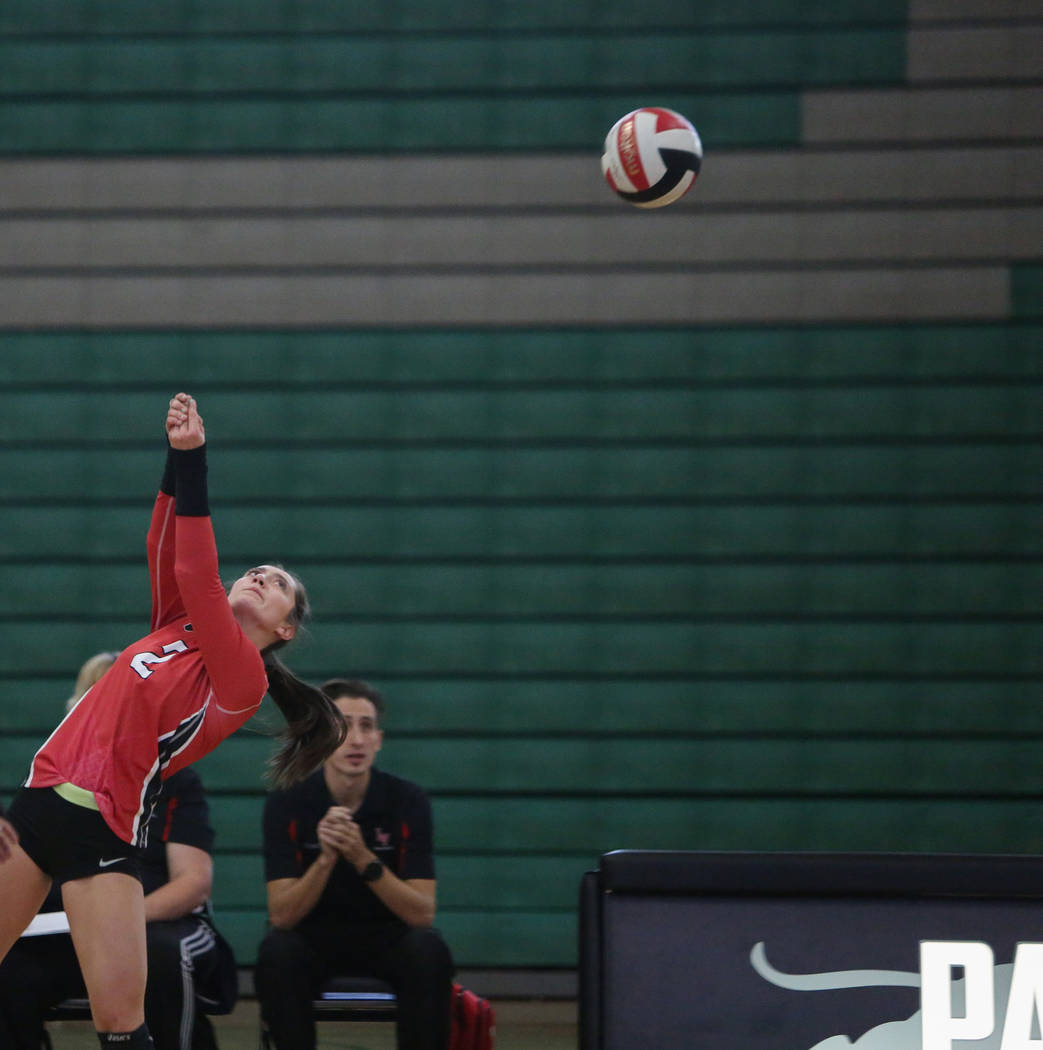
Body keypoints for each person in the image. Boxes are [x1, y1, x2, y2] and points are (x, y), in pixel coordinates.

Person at [0, 393, 345, 1050]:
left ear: (283, 628)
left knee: (119, 1025)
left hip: (101, 826)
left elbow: (194, 564)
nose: (259, 575)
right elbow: (164, 544)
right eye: (258, 570)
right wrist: (172, 457)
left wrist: (195, 458)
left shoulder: (239, 677)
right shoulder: (176, 627)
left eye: (274, 583)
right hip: (40, 803)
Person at [256, 678, 454, 1050]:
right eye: (343, 726)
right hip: (312, 938)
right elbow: (282, 915)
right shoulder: (288, 802)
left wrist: (363, 857)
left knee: (429, 950)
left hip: (386, 936)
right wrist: (327, 857)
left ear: (379, 739)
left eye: (366, 727)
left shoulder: (407, 800)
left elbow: (422, 913)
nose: (357, 739)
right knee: (277, 952)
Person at [0, 765, 235, 1050]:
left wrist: (116, 920)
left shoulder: (174, 780)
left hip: (152, 922)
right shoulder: (53, 775)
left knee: (162, 954)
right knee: (11, 963)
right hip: (65, 928)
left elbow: (193, 882)